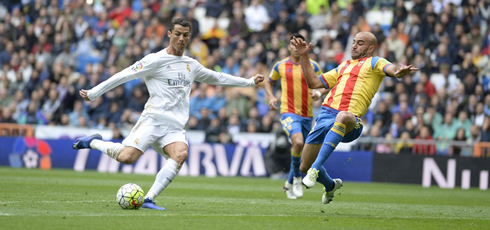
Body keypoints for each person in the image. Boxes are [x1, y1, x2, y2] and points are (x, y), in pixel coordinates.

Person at [72, 18, 264, 211]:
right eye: (178, 34)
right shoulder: (154, 60)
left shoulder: (191, 65)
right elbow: (124, 75)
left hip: (174, 127)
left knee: (181, 154)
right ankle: (93, 142)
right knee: (126, 157)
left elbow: (217, 77)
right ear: (169, 34)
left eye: (186, 35)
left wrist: (248, 82)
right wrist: (94, 92)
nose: (182, 38)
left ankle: (148, 198)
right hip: (153, 120)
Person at [291, 32, 417, 204]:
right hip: (325, 117)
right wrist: (305, 55)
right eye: (354, 42)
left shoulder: (375, 62)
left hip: (351, 121)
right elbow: (313, 82)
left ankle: (315, 170)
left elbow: (391, 69)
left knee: (342, 116)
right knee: (303, 166)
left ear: (370, 48)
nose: (354, 45)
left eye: (360, 43)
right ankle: (330, 186)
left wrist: (399, 71)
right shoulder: (343, 66)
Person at [264, 33, 327, 200]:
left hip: (308, 115)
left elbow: (325, 84)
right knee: (298, 142)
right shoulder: (281, 66)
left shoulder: (313, 65)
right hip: (288, 112)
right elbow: (268, 81)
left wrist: (319, 93)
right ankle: (298, 178)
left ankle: (290, 182)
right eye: (293, 44)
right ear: (289, 47)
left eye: (299, 44)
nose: (296, 48)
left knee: (304, 152)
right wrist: (271, 97)